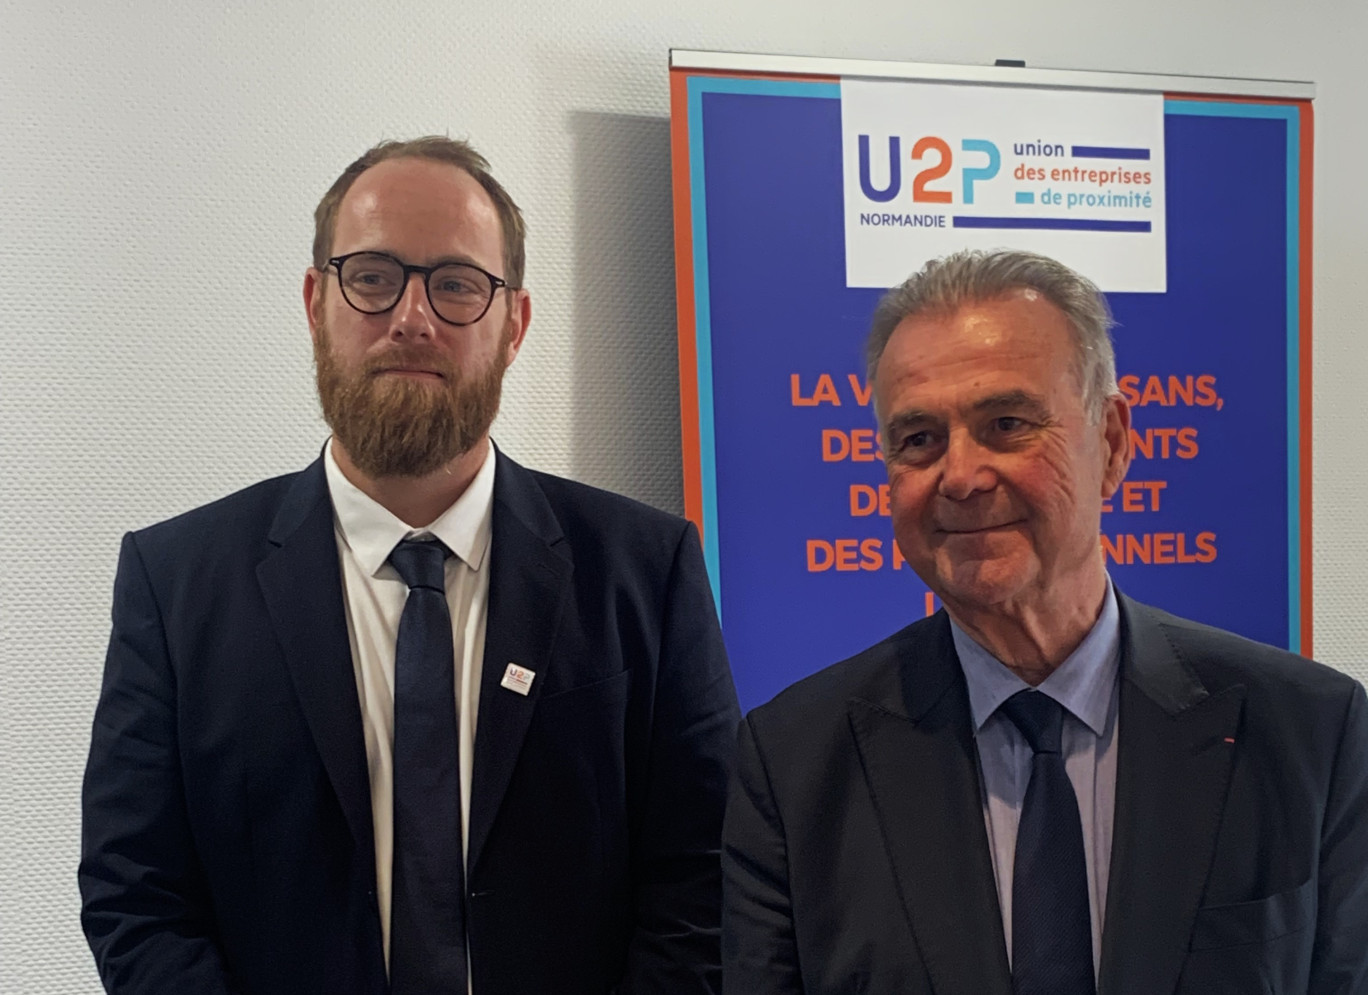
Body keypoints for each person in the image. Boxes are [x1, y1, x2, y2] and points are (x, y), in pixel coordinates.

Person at [79, 136, 739, 995]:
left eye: (457, 283)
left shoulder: (646, 573)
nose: (412, 317)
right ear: (317, 302)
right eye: (373, 275)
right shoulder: (176, 584)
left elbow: (707, 882)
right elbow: (139, 897)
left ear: (516, 325)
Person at [722, 249, 1368, 994]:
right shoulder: (796, 763)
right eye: (920, 439)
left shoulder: (1307, 732)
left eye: (1006, 423)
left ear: (1115, 442)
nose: (960, 476)